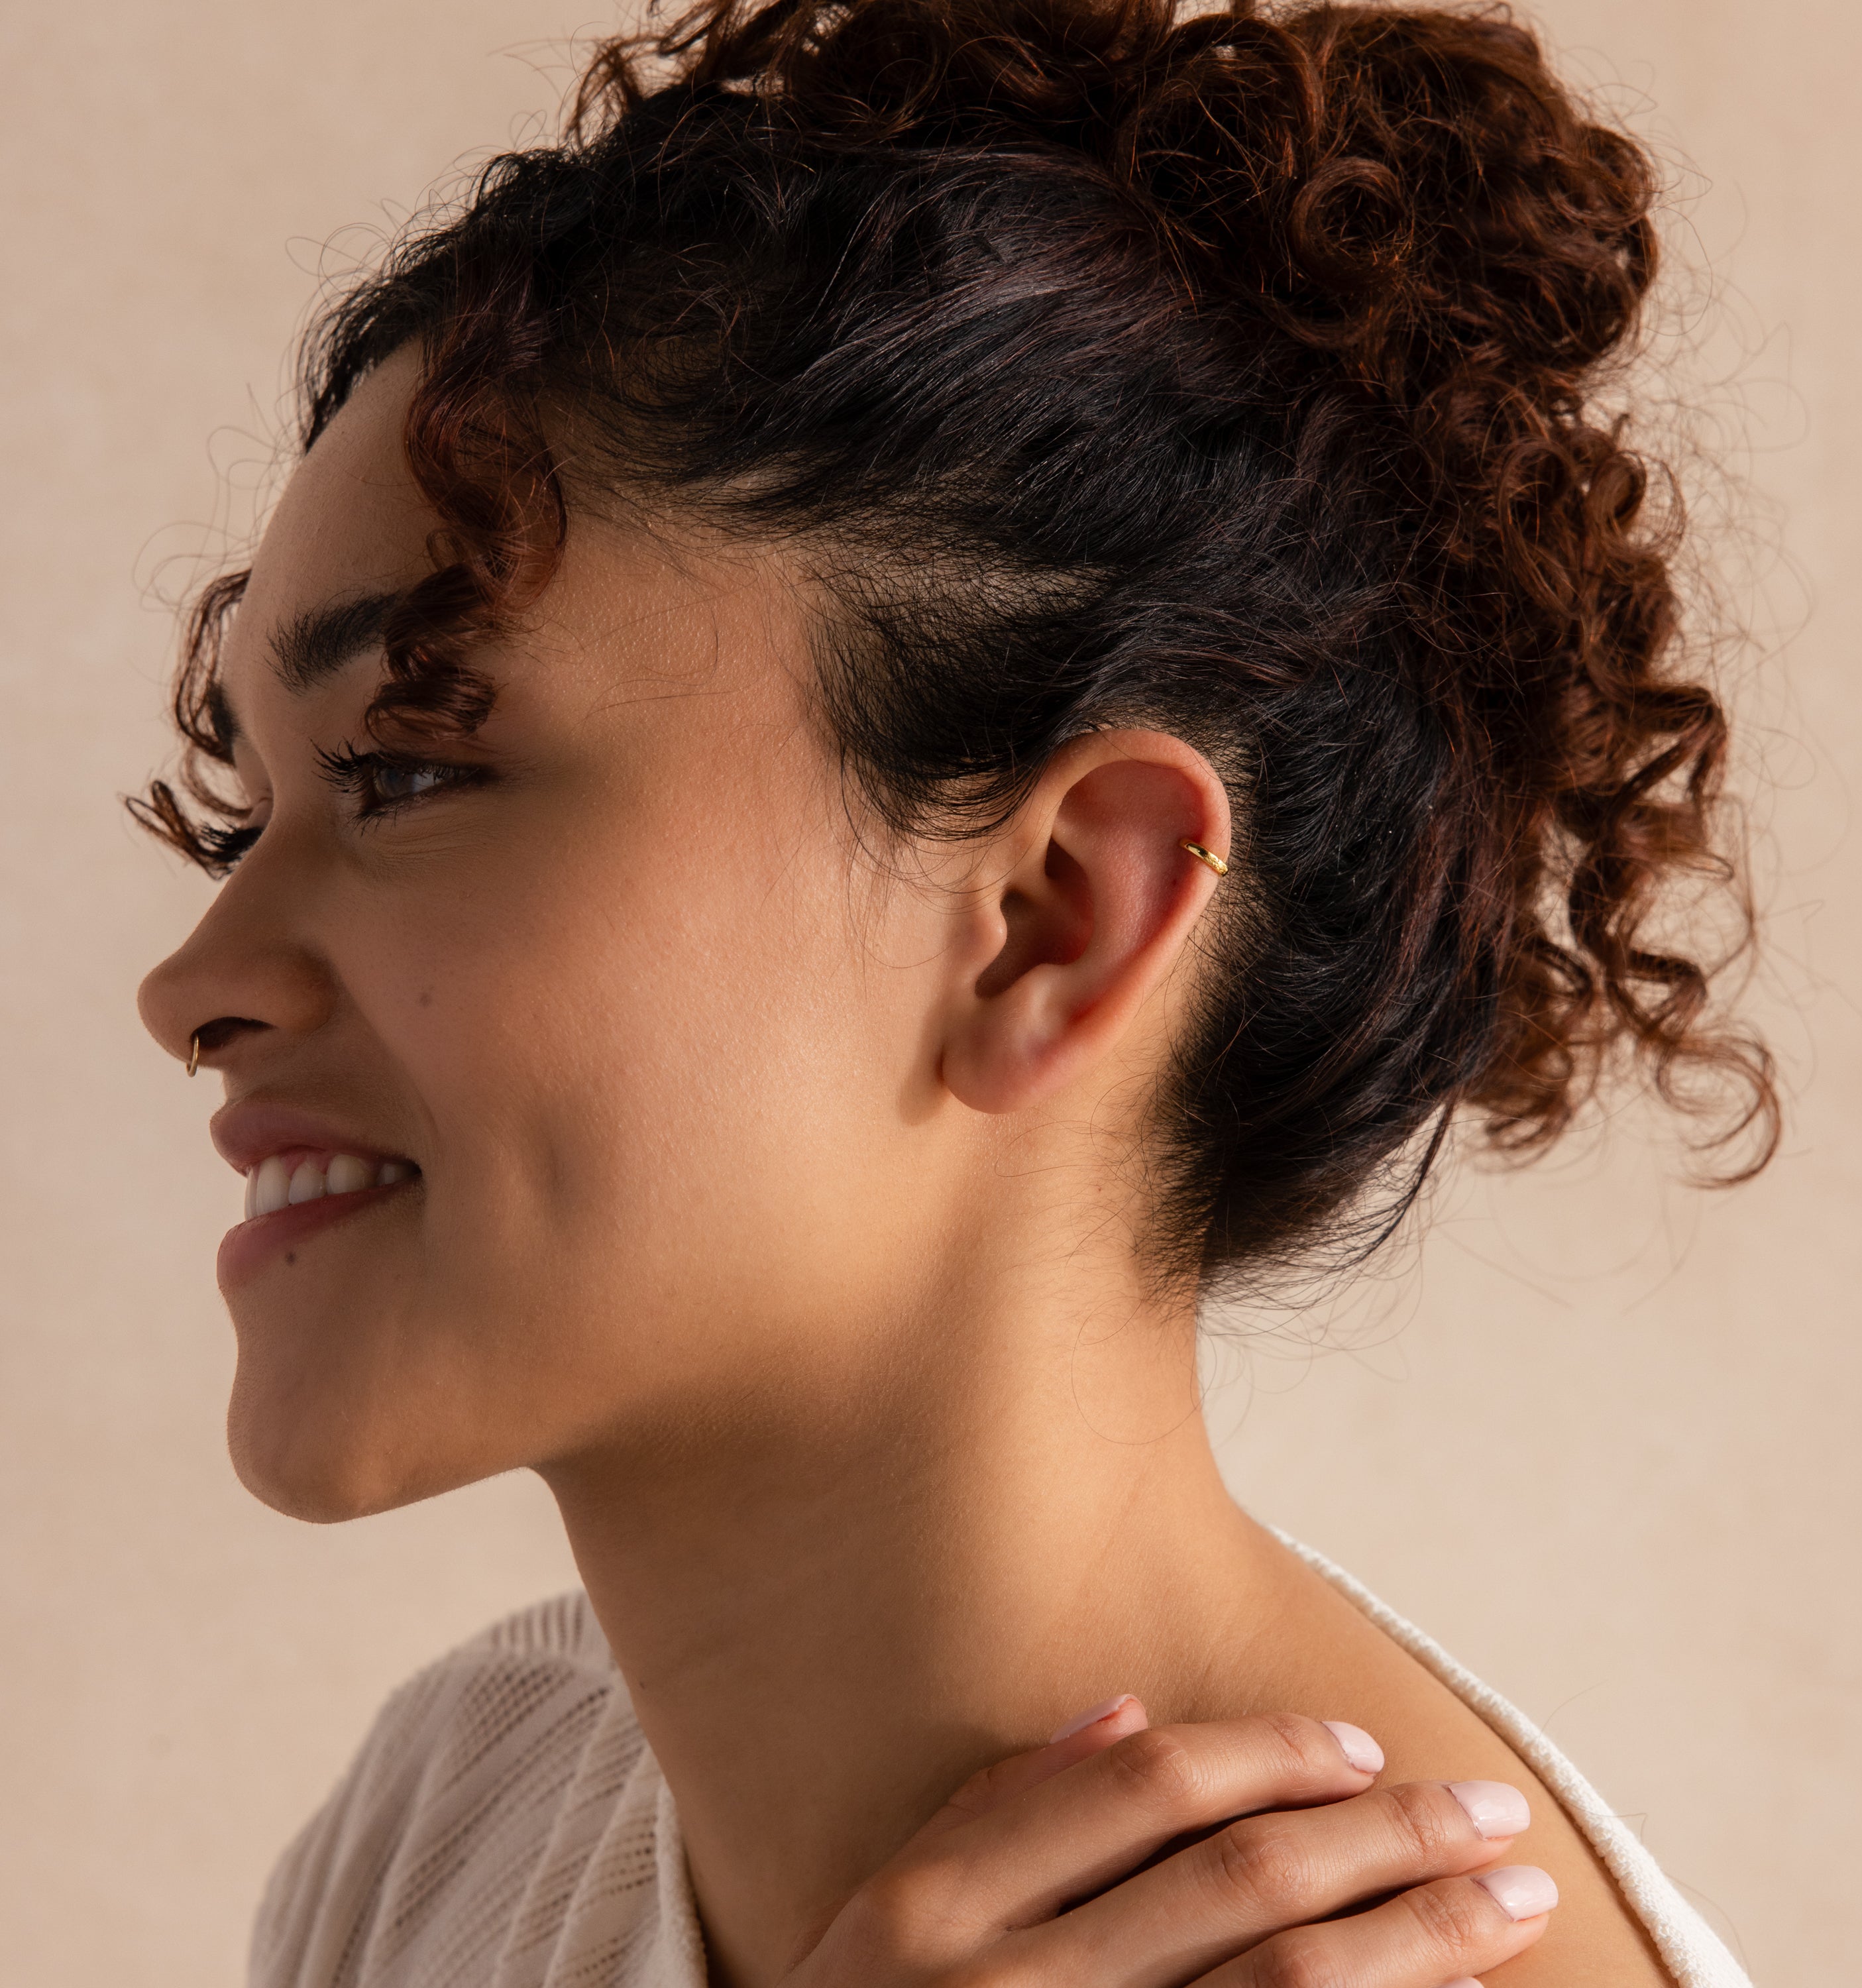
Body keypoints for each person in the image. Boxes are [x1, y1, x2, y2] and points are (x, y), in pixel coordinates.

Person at [135, 1, 1775, 1981]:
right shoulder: (459, 1819)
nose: (195, 985)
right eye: (252, 810)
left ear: (1055, 920)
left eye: (410, 765)